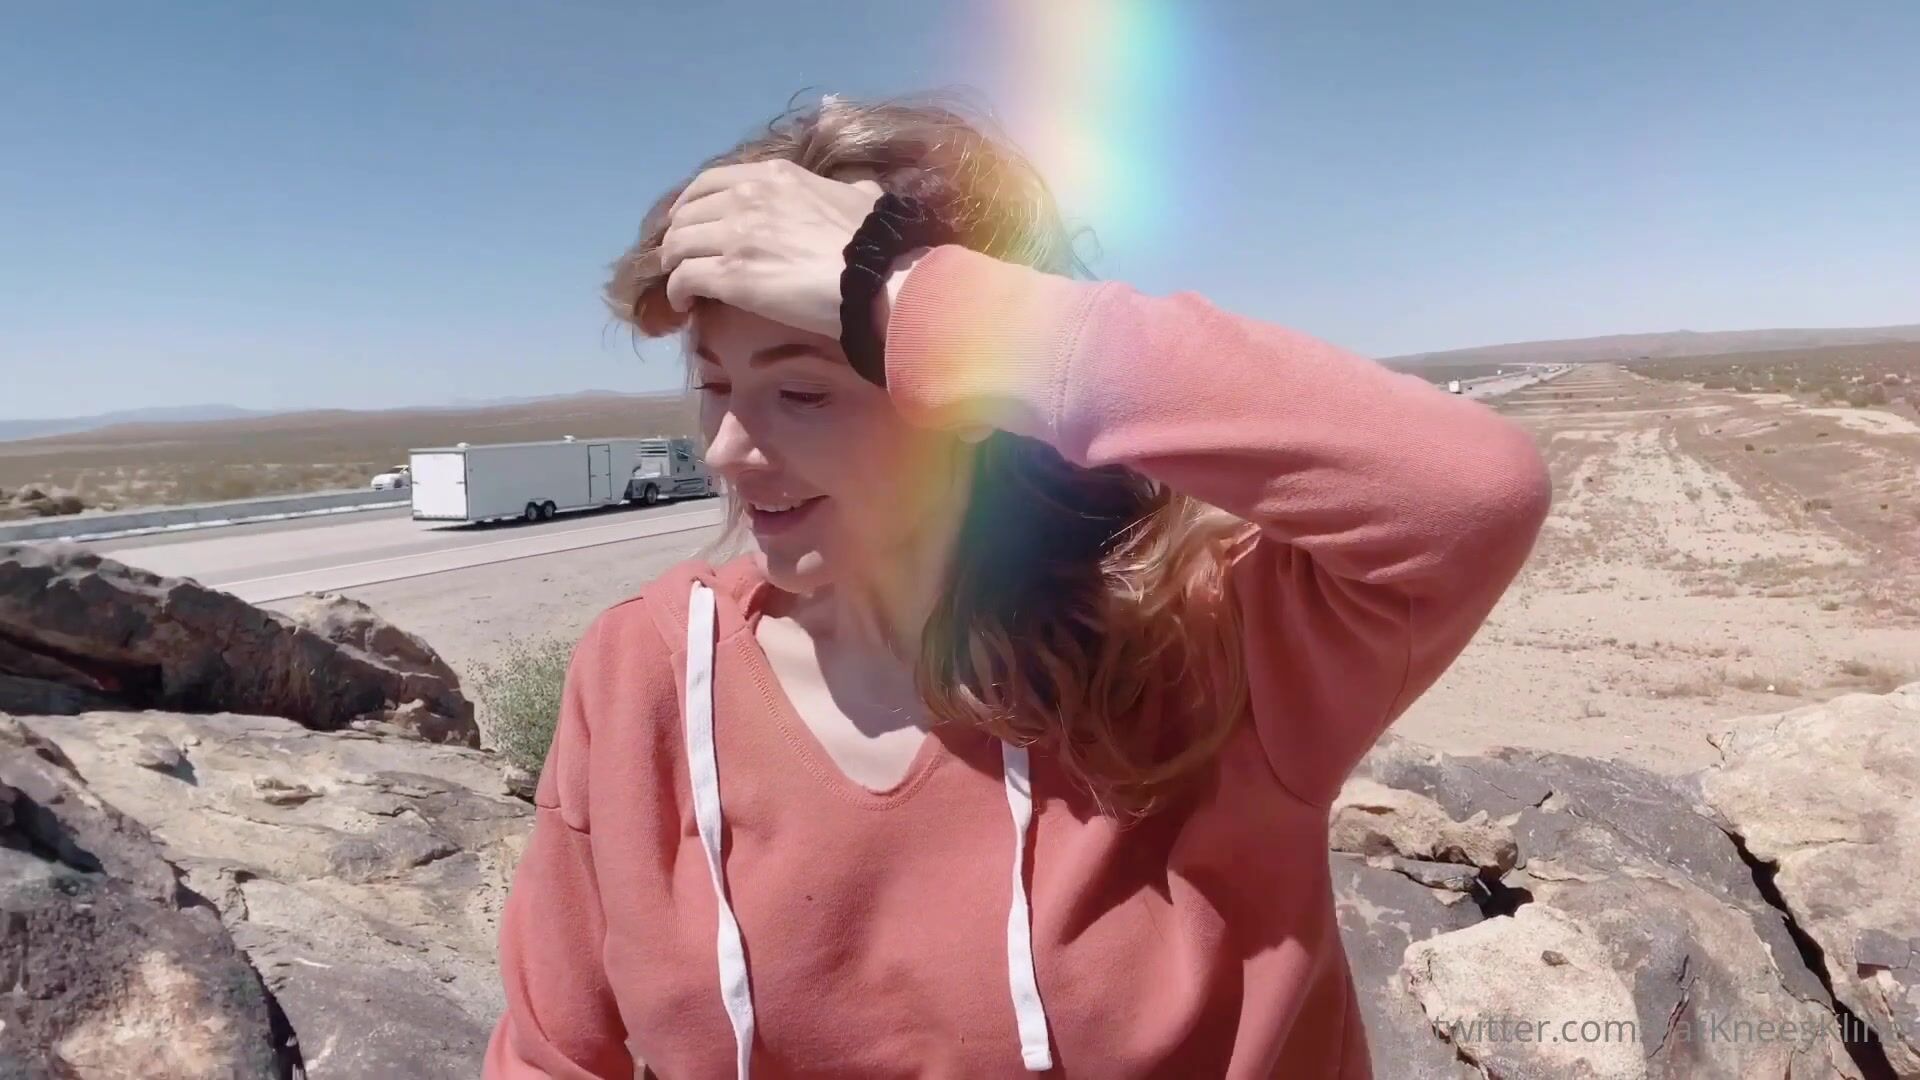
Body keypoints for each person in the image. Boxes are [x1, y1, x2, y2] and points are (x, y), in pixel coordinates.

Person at [483, 95, 1551, 1079]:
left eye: (802, 394)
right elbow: (548, 1054)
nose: (726, 448)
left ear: (968, 394)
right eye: (716, 386)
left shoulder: (1205, 653)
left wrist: (906, 290)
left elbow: (1470, 491)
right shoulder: (649, 671)